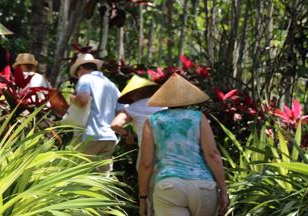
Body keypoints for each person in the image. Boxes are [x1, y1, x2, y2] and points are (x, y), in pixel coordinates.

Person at [138, 73, 229, 216]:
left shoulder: (153, 120)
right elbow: (212, 155)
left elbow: (146, 164)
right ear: (189, 98)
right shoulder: (198, 117)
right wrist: (223, 191)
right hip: (202, 185)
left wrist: (143, 198)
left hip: (168, 186)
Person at [111, 74, 165, 216]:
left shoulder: (133, 108)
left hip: (146, 154)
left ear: (134, 93)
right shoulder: (163, 105)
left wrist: (127, 135)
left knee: (147, 195)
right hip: (168, 153)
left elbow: (115, 125)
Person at [69, 53, 124, 172]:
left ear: (81, 69)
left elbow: (83, 100)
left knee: (79, 177)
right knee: (101, 181)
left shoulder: (85, 78)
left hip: (90, 136)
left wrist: (72, 99)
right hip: (109, 138)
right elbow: (121, 111)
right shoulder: (110, 84)